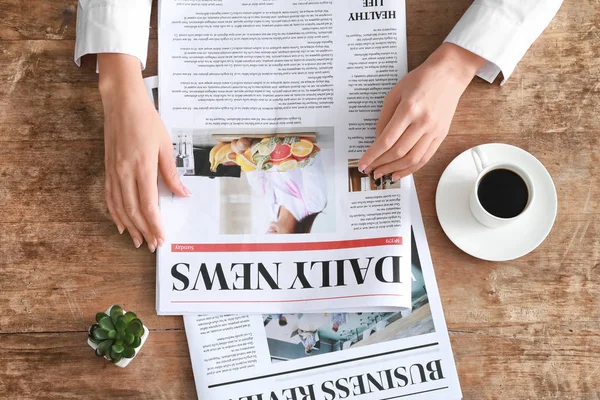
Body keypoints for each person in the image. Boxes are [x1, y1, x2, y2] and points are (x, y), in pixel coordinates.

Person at [75, 0, 563, 251]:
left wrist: (458, 63)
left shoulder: (279, 198)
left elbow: (262, 165)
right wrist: (119, 82)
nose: (270, 227)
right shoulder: (310, 198)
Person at [244, 154, 328, 235]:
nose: (269, 235)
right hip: (294, 140)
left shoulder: (269, 204)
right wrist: (282, 154)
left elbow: (249, 164)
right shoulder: (314, 203)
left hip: (265, 141)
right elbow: (311, 158)